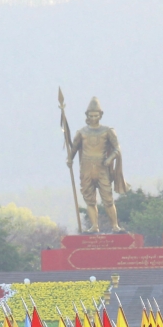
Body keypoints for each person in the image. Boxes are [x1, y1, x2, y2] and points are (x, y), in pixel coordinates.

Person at [67, 97, 128, 233]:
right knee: (90, 199)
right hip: (86, 168)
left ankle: (115, 226)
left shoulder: (107, 131)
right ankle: (94, 226)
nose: (93, 118)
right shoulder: (82, 132)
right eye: (91, 115)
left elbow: (117, 148)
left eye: (96, 115)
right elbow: (74, 148)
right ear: (87, 116)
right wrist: (70, 159)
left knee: (108, 198)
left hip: (102, 167)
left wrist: (110, 159)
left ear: (100, 115)